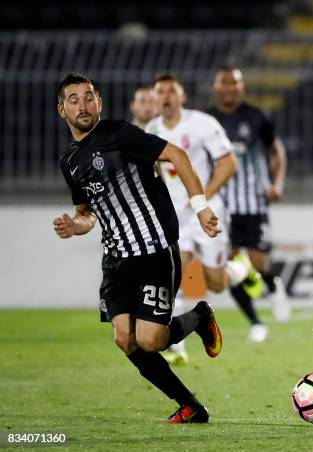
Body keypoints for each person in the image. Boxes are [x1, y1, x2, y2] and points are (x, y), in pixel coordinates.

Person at [53, 72, 222, 424]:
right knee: (125, 340)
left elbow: (176, 153)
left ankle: (199, 316)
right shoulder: (69, 162)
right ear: (61, 109)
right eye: (74, 99)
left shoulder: (118, 134)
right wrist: (74, 225)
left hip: (155, 252)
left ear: (99, 103)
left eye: (89, 97)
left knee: (151, 340)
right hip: (115, 261)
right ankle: (191, 406)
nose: (82, 104)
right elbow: (86, 215)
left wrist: (201, 205)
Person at [146, 72, 262, 359]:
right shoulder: (151, 129)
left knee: (217, 283)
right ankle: (176, 346)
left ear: (182, 96)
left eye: (172, 91)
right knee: (170, 275)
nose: (167, 96)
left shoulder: (201, 124)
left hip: (208, 212)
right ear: (154, 97)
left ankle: (242, 269)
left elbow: (228, 163)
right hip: (176, 219)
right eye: (161, 92)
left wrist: (202, 199)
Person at [208, 66, 290, 342]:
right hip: (221, 207)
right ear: (216, 87)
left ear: (242, 88)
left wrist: (276, 184)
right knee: (224, 268)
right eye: (225, 82)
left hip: (254, 204)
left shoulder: (256, 117)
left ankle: (273, 286)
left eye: (235, 83)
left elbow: (276, 150)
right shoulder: (207, 120)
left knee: (258, 261)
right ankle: (256, 322)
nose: (230, 87)